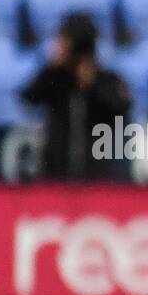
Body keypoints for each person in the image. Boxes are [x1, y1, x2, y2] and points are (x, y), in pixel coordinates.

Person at [19, 12, 131, 179]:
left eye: (65, 40)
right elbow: (29, 97)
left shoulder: (107, 80)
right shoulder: (55, 78)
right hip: (55, 174)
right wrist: (52, 68)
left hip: (99, 175)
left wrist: (92, 85)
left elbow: (122, 108)